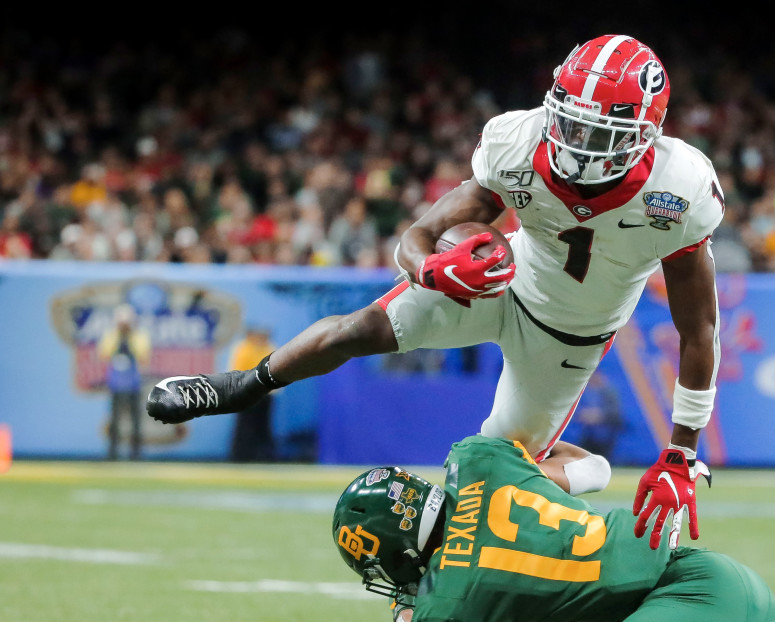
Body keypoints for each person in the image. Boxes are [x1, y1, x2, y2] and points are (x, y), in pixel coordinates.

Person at [147, 34, 724, 549]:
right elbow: (417, 236)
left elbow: (697, 330)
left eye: (598, 133)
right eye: (570, 123)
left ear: (645, 135)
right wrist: (431, 271)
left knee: (488, 483)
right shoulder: (517, 141)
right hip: (501, 280)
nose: (577, 143)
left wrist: (681, 452)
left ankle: (587, 470)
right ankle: (244, 386)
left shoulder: (680, 190)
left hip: (572, 333)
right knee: (358, 329)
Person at [331, 434, 775, 622]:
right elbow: (590, 468)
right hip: (722, 581)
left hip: (685, 601)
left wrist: (403, 611)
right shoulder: (478, 462)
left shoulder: (451, 595)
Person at [98, 304, 151, 460]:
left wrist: (130, 335)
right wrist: (118, 335)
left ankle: (135, 453)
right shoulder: (112, 335)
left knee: (136, 421)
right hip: (116, 383)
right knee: (115, 420)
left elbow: (143, 354)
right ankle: (113, 452)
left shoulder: (139, 336)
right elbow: (104, 353)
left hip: (134, 383)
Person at [227, 325, 277, 462]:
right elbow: (237, 371)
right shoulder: (244, 349)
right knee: (245, 425)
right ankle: (241, 456)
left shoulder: (269, 348)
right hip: (247, 392)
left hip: (266, 393)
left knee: (263, 426)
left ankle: (264, 457)